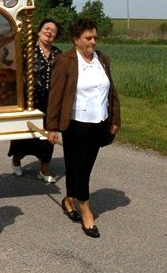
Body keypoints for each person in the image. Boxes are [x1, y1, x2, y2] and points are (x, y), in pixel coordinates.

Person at [46, 18, 121, 239]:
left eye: (95, 37)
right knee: (78, 166)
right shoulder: (65, 60)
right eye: (88, 38)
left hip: (99, 123)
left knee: (85, 166)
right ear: (76, 39)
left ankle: (69, 199)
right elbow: (56, 96)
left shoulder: (102, 59)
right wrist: (52, 127)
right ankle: (86, 211)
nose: (93, 41)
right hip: (76, 124)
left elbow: (111, 92)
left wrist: (115, 119)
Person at [7, 18, 61, 182]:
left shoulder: (58, 54)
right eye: (46, 28)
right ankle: (16, 159)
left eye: (53, 30)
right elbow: (14, 72)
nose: (49, 31)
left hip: (50, 103)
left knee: (48, 135)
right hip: (29, 102)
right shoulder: (26, 50)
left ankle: (44, 169)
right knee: (23, 135)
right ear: (39, 31)